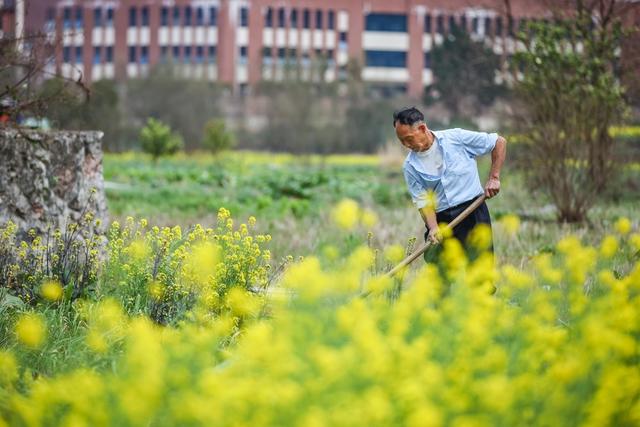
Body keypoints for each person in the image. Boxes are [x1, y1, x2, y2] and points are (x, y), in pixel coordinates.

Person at [392, 106, 507, 262]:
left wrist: (494, 177)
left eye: (409, 138)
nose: (406, 144)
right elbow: (423, 201)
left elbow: (498, 142)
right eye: (401, 141)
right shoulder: (410, 166)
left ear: (422, 128)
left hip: (473, 212)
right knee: (443, 277)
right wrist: (433, 227)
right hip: (442, 222)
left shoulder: (456, 138)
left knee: (480, 273)